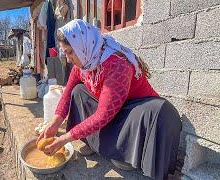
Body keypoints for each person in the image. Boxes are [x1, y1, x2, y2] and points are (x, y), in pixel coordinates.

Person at [37, 19, 182, 180]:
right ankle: (95, 144)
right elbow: (66, 95)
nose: (68, 59)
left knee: (159, 113)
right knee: (78, 92)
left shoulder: (116, 64)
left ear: (82, 46)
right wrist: (54, 124)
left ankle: (125, 154)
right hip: (113, 108)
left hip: (135, 110)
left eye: (70, 52)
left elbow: (103, 115)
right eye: (65, 53)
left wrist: (64, 139)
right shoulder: (84, 63)